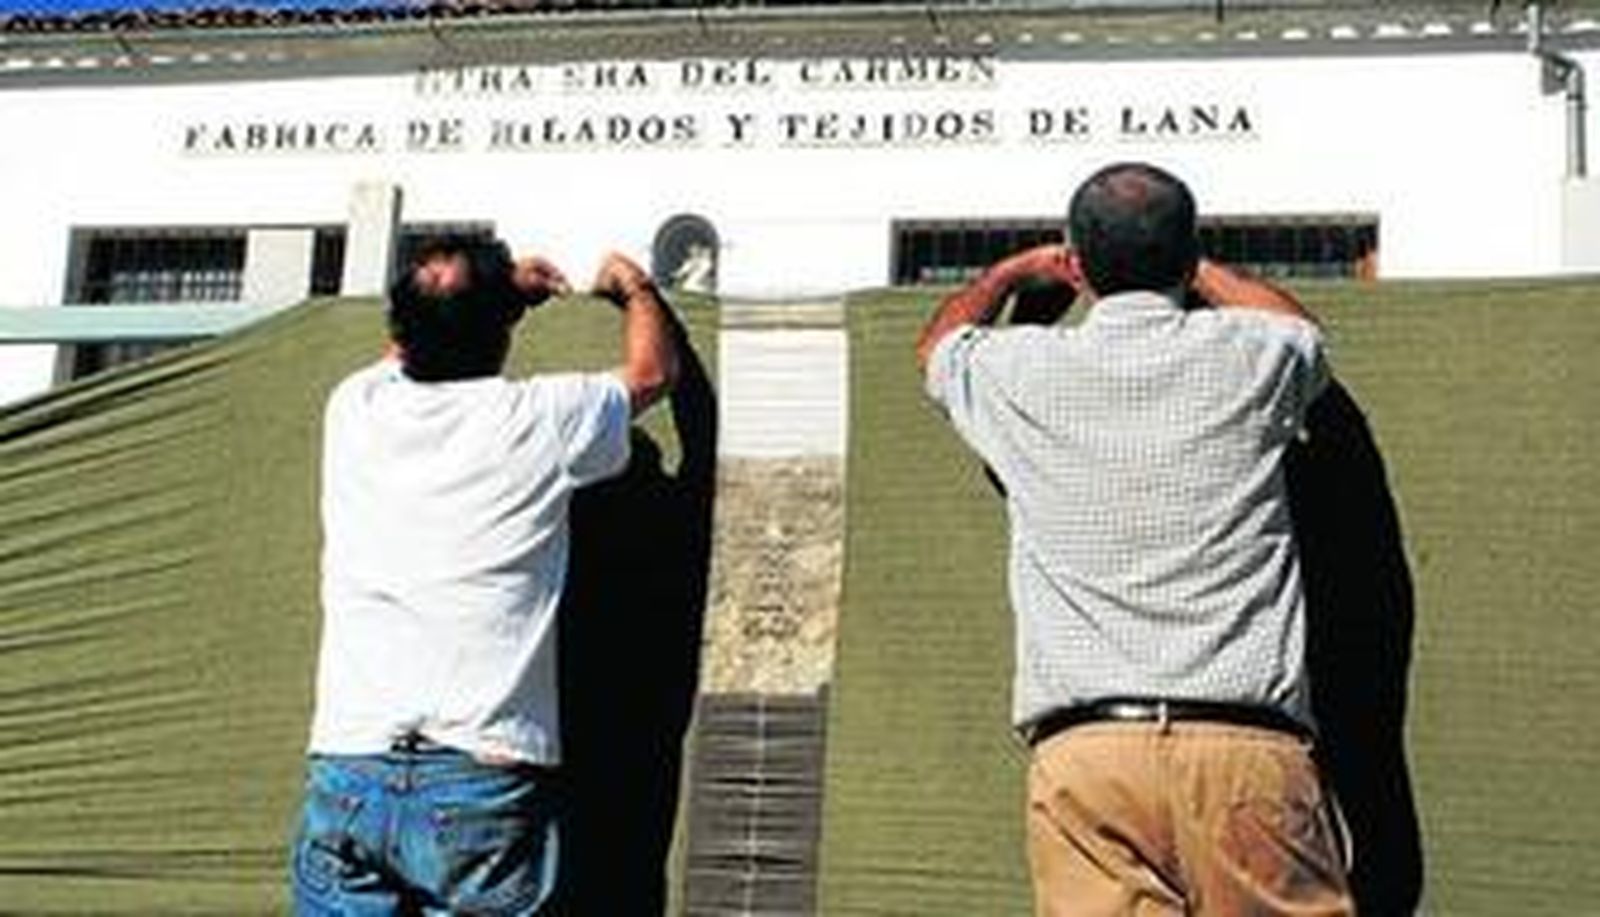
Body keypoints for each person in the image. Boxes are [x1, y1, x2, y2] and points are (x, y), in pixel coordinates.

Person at [916, 162, 1354, 916]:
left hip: (1087, 758)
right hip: (1244, 748)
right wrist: (1195, 263)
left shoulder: (1018, 369)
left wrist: (1018, 268)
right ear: (1186, 257)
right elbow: (1299, 330)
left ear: (1079, 266)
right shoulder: (1248, 357)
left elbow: (939, 345)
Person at [290, 236, 678, 914]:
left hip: (348, 765)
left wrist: (498, 300)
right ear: (497, 335)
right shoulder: (541, 419)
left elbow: (406, 348)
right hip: (480, 774)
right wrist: (636, 290)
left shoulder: (352, 407)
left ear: (398, 332)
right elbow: (652, 373)